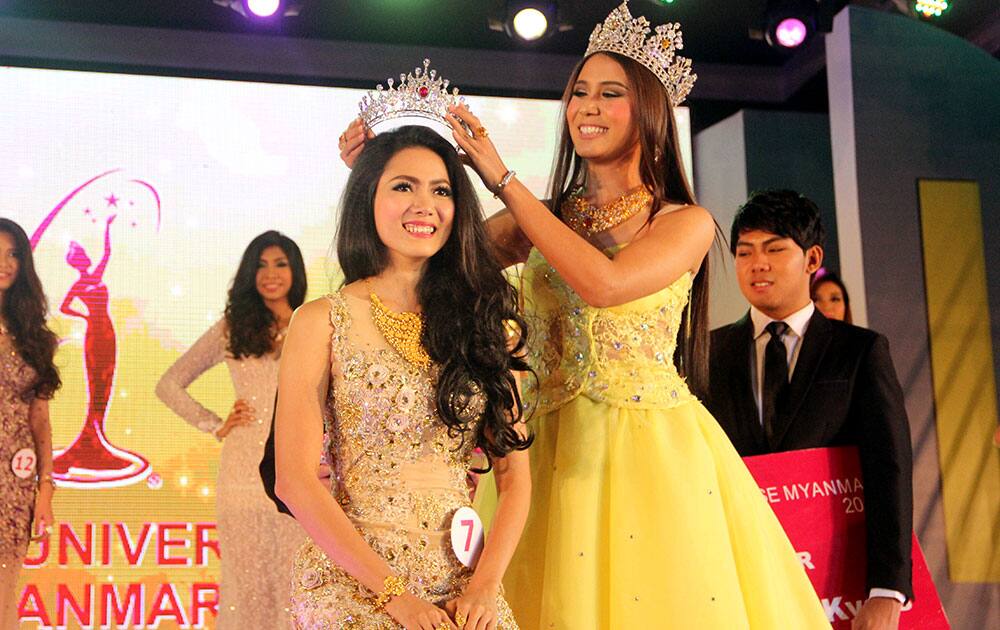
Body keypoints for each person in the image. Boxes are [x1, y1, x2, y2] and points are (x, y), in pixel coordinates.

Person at [339, 3, 830, 628]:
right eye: (578, 93)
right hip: (544, 449)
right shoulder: (544, 215)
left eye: (609, 93)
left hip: (647, 450)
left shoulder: (684, 222)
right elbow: (433, 263)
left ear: (650, 112)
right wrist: (376, 177)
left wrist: (501, 178)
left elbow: (605, 283)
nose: (586, 107)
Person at [273, 125, 531, 629]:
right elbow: (295, 481)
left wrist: (483, 588)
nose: (424, 205)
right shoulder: (321, 320)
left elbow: (514, 478)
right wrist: (397, 599)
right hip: (357, 581)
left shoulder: (485, 323)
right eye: (402, 187)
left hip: (464, 583)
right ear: (368, 197)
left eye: (441, 191)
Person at [707, 189, 914, 630]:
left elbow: (888, 469)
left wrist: (886, 591)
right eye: (744, 252)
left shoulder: (860, 351)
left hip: (835, 584)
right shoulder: (705, 354)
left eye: (774, 249)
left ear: (811, 257)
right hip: (735, 578)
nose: (756, 264)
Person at [156, 230, 308, 629]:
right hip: (242, 476)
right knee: (246, 589)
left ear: (296, 271)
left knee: (298, 587)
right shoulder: (233, 328)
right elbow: (169, 384)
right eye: (260, 265)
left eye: (280, 264)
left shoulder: (313, 323)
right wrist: (214, 424)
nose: (270, 274)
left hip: (301, 475)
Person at [0, 218, 60, 628]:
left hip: (13, 484)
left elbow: (40, 419)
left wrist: (45, 490)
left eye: (13, 254)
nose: (5, 263)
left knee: (5, 596)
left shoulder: (34, 336)